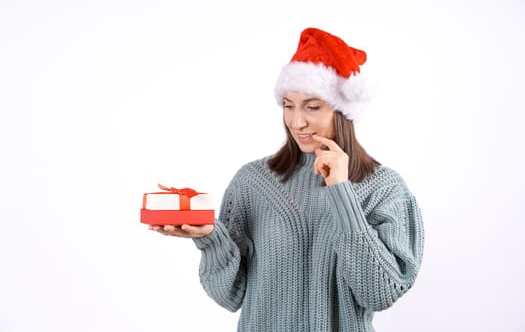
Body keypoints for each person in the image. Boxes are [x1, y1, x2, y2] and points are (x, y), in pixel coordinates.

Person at [150, 27, 425, 332]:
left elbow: (380, 293)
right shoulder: (252, 182)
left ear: (344, 111)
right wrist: (210, 238)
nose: (297, 121)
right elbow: (230, 295)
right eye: (288, 106)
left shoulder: (384, 188)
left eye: (313, 106)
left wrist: (342, 192)